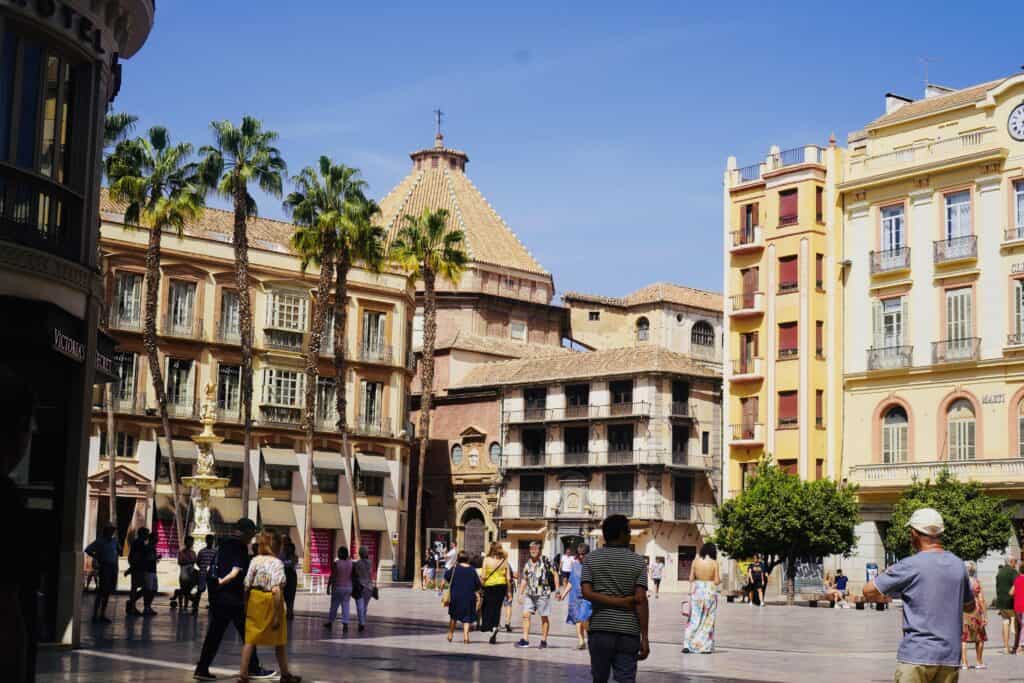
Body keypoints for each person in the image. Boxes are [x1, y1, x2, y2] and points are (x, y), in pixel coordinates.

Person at [864, 508, 975, 683]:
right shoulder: (958, 565)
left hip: (916, 656)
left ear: (914, 533)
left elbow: (868, 590)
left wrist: (885, 597)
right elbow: (970, 606)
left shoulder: (910, 565)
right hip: (949, 658)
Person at [193, 518, 274, 681]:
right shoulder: (239, 547)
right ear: (245, 532)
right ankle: (253, 668)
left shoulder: (223, 545)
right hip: (234, 599)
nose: (252, 537)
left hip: (219, 597)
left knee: (214, 635)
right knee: (248, 634)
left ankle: (202, 668)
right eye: (252, 533)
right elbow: (238, 574)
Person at [581, 515, 650, 683]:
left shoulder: (591, 559)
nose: (630, 535)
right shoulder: (638, 562)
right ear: (621, 533)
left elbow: (586, 592)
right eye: (628, 531)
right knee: (626, 679)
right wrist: (645, 638)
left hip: (600, 629)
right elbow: (641, 601)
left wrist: (612, 601)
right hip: (628, 632)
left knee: (599, 679)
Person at [239, 530, 300, 683]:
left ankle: (243, 674)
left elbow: (246, 585)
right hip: (271, 601)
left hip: (255, 599)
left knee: (250, 639)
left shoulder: (255, 560)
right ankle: (285, 675)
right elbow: (276, 590)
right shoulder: (277, 563)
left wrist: (246, 604)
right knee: (279, 641)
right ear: (277, 546)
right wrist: (277, 615)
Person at [516, 541, 561, 648]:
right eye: (531, 548)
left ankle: (544, 641)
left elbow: (555, 574)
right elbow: (524, 579)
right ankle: (525, 640)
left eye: (535, 548)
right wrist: (520, 593)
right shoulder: (528, 563)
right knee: (525, 615)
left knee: (544, 617)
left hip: (543, 594)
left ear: (539, 550)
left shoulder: (546, 560)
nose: (533, 550)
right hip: (530, 594)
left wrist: (557, 590)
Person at [682, 542, 720, 654]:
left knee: (694, 618)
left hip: (697, 591)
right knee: (708, 620)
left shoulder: (695, 561)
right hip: (710, 592)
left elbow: (690, 578)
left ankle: (687, 645)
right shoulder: (714, 563)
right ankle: (704, 647)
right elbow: (717, 581)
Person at [85, 524, 120, 623]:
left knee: (107, 592)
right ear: (106, 531)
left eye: (113, 530)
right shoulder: (100, 541)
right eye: (110, 530)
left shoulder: (114, 541)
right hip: (105, 567)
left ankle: (102, 614)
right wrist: (97, 557)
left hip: (113, 567)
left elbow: (118, 551)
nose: (112, 532)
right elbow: (88, 550)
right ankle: (95, 614)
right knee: (101, 591)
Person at [446, 550, 482, 644]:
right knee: (467, 617)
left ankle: (450, 634)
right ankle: (466, 637)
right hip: (469, 597)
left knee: (453, 616)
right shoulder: (472, 569)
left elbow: (446, 577)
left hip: (456, 596)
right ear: (467, 559)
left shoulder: (455, 568)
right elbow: (478, 584)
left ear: (458, 558)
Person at [562, 544, 593, 650]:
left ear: (588, 554)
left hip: (586, 597)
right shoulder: (574, 565)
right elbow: (571, 581)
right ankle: (581, 641)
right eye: (579, 554)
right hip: (574, 597)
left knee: (584, 618)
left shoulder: (591, 566)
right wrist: (564, 594)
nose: (581, 556)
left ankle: (590, 638)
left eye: (583, 554)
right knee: (577, 619)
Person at [480, 542, 511, 644]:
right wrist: (509, 592)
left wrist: (480, 586)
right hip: (501, 586)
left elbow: (483, 576)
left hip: (489, 586)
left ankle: (489, 627)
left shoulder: (486, 560)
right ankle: (495, 626)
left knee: (487, 607)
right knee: (497, 608)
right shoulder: (504, 561)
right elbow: (508, 578)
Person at [960, 561, 987, 670]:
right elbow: (981, 600)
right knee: (980, 638)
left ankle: (964, 663)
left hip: (963, 612)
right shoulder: (976, 582)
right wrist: (985, 615)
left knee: (963, 639)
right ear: (973, 570)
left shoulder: (961, 583)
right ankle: (979, 662)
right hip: (976, 612)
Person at [323, 547, 354, 633]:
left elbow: (332, 576)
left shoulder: (336, 564)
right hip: (348, 587)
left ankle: (330, 622)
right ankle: (345, 624)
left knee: (334, 606)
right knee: (346, 606)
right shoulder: (350, 563)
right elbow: (352, 575)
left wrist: (328, 587)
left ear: (340, 554)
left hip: (338, 587)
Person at [995, 556, 1018, 655]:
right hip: (1011, 602)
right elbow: (1017, 585)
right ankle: (1016, 647)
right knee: (1016, 625)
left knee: (1005, 623)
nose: (1016, 564)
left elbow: (997, 587)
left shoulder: (1000, 572)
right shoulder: (1013, 572)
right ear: (1011, 562)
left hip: (1001, 602)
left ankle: (1006, 647)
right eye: (1015, 561)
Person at [124, 527, 150, 616]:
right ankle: (131, 605)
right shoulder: (139, 543)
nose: (148, 536)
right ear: (142, 534)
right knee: (142, 587)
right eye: (146, 534)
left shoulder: (138, 542)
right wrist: (132, 568)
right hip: (138, 568)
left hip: (138, 567)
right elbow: (136, 556)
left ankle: (131, 604)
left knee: (137, 587)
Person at [171, 535, 198, 611]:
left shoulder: (193, 552)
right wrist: (189, 561)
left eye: (192, 542)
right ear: (185, 542)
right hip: (183, 574)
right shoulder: (181, 552)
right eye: (189, 542)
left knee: (187, 591)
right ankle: (180, 606)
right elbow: (180, 562)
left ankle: (185, 605)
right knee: (183, 590)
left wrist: (188, 561)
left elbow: (194, 561)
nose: (190, 543)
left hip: (191, 574)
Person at [353, 546, 375, 632]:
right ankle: (362, 621)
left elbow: (356, 574)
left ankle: (361, 623)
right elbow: (370, 574)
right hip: (369, 587)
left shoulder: (358, 563)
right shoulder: (370, 562)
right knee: (364, 606)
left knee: (360, 606)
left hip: (360, 586)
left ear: (360, 553)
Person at [195, 535, 217, 614]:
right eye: (209, 540)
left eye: (211, 540)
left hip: (211, 574)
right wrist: (203, 568)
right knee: (200, 590)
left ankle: (211, 606)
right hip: (203, 574)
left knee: (211, 592)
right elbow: (198, 562)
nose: (210, 541)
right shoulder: (201, 551)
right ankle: (195, 606)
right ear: (206, 541)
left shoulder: (215, 551)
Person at [280, 537, 298, 621]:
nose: (286, 548)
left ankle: (290, 613)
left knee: (290, 597)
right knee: (283, 596)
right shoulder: (282, 554)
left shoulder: (294, 556)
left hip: (291, 578)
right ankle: (286, 613)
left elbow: (292, 564)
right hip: (284, 576)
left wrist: (286, 563)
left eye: (288, 546)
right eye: (285, 546)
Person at [142, 532, 159, 615]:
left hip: (153, 571)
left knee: (154, 589)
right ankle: (146, 607)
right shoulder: (148, 547)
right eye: (156, 538)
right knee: (148, 590)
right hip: (148, 571)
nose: (157, 539)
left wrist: (155, 558)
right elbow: (147, 558)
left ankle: (148, 606)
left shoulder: (153, 548)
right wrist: (156, 558)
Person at [503, 566, 517, 632]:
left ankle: (497, 624)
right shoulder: (506, 564)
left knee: (498, 605)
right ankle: (507, 622)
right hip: (508, 586)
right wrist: (509, 592)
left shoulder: (494, 563)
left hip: (499, 585)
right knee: (508, 604)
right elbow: (509, 577)